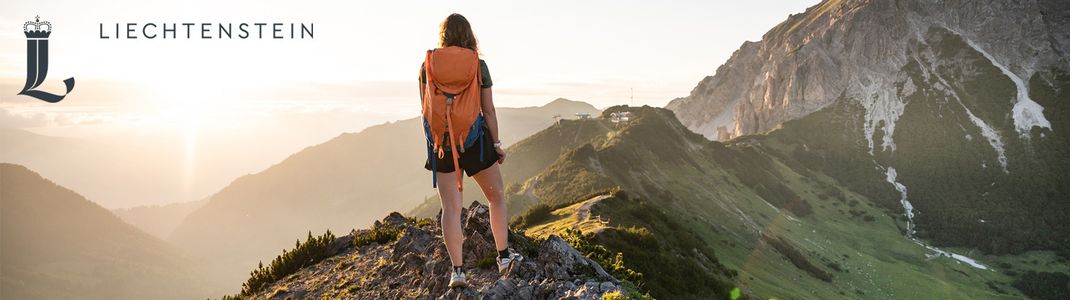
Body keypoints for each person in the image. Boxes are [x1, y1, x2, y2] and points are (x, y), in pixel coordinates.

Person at [419, 13, 522, 289]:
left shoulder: (427, 65)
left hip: (442, 145)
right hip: (474, 141)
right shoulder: (479, 66)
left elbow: (425, 109)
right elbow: (487, 110)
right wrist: (497, 145)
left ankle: (458, 272)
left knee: (451, 209)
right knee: (496, 196)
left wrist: (434, 144)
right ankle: (503, 257)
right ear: (469, 35)